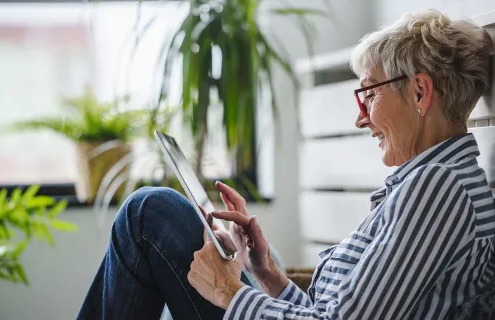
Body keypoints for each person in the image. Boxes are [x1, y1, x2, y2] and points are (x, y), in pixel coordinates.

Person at [77, 9, 495, 320]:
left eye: (369, 93)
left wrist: (229, 290)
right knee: (155, 214)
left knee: (149, 212)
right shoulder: (430, 184)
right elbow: (334, 311)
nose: (360, 116)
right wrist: (268, 273)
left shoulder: (439, 188)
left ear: (421, 93)